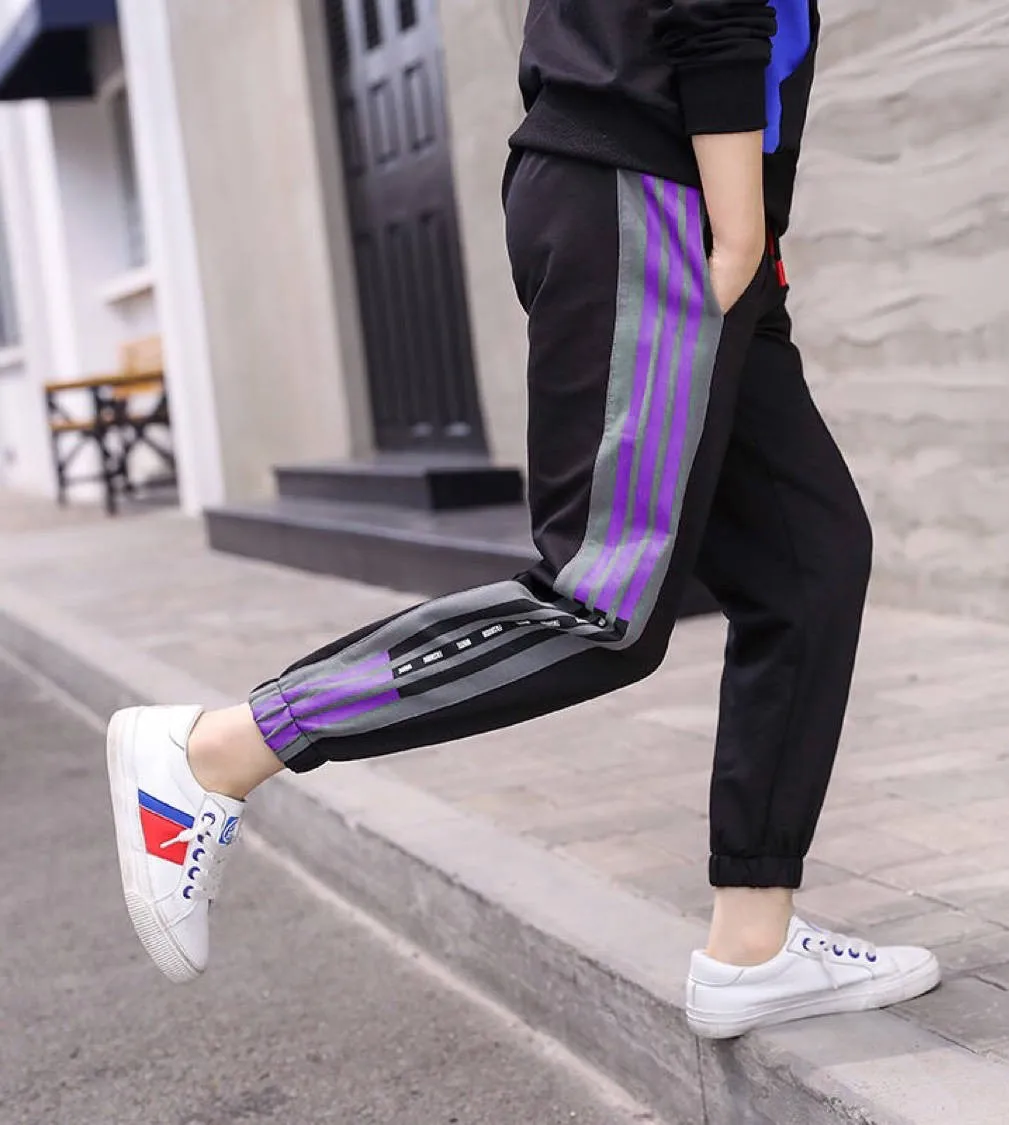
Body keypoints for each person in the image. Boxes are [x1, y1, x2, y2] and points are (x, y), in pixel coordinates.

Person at [105, 0, 941, 1038]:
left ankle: (752, 945)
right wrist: (734, 221)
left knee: (808, 563)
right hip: (662, 193)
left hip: (676, 192)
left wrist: (747, 221)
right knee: (601, 602)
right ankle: (220, 750)